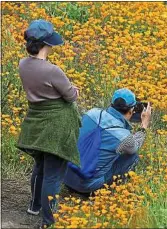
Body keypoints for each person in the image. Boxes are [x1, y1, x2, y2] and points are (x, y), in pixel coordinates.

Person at [16, 19, 81, 228]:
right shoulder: (52, 70)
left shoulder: (23, 64)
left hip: (36, 119)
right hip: (57, 125)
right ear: (46, 44)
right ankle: (49, 221)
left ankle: (34, 206)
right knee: (53, 175)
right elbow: (70, 96)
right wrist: (75, 90)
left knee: (40, 166)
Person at [64, 88, 152, 195]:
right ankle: (110, 190)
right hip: (86, 186)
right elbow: (135, 146)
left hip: (65, 175)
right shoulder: (123, 137)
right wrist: (144, 125)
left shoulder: (91, 113)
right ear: (131, 111)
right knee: (132, 157)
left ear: (112, 104)